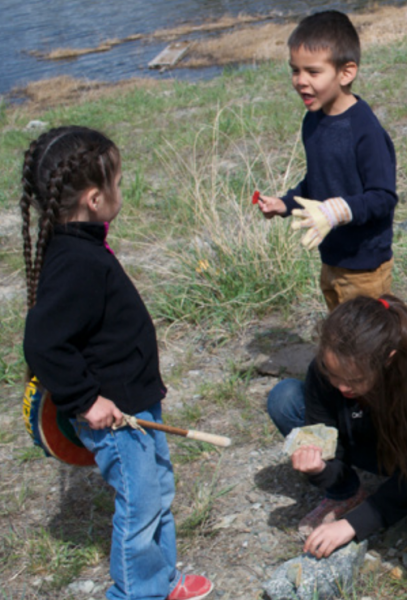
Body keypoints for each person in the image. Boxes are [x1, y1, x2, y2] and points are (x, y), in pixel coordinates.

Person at [20, 126, 214, 600]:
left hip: (137, 402)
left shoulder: (79, 243)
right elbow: (43, 343)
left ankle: (161, 582)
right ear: (93, 197)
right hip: (115, 414)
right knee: (140, 503)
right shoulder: (76, 262)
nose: (121, 191)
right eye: (119, 183)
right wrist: (86, 401)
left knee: (157, 492)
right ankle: (136, 594)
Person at [256, 10, 398, 311]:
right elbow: (319, 181)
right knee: (342, 333)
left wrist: (337, 211)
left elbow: (383, 197)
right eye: (295, 70)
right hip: (332, 256)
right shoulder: (314, 122)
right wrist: (286, 203)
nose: (300, 81)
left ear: (346, 72)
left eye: (313, 71)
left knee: (369, 342)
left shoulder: (365, 131)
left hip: (366, 266)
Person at [267, 294, 407, 558]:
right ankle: (346, 493)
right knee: (284, 398)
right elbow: (329, 444)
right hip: (366, 445)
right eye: (333, 374)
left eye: (354, 379)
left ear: (388, 359)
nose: (341, 387)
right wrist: (320, 469)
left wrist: (354, 524)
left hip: (398, 451)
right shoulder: (324, 371)